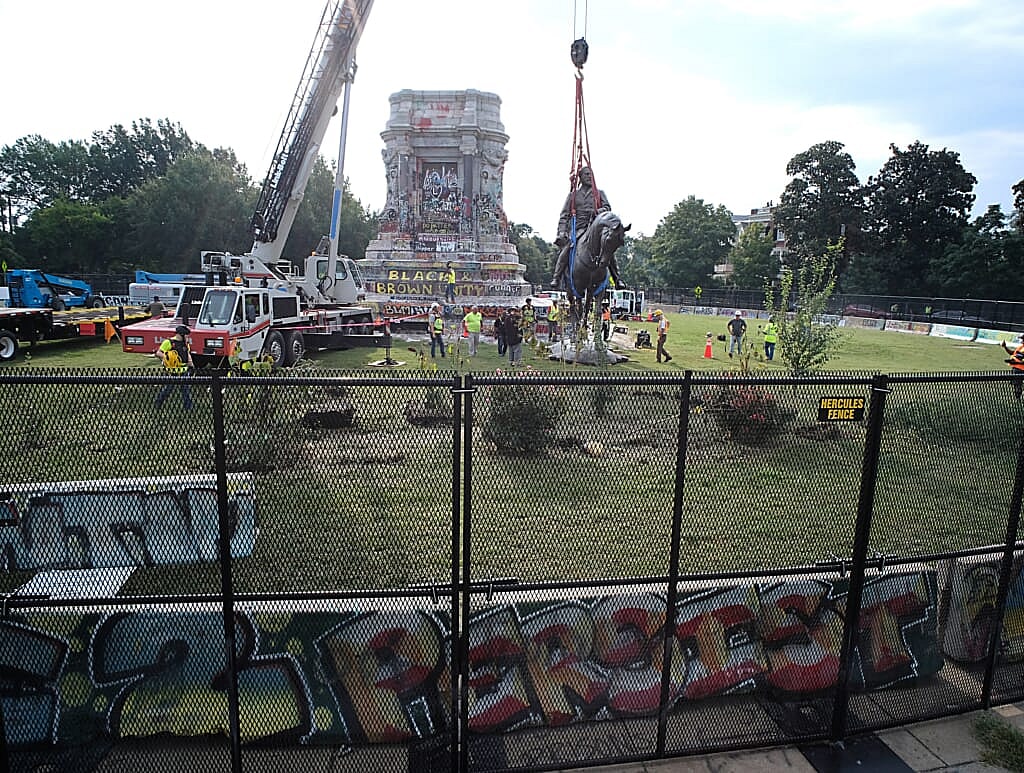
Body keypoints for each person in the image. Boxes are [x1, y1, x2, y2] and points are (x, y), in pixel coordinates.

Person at [551, 166, 621, 289]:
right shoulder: (573, 195)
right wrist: (561, 231)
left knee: (608, 248)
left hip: (595, 228)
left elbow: (608, 208)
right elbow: (564, 215)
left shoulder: (599, 193)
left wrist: (598, 211)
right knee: (567, 249)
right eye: (586, 174)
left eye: (591, 175)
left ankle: (617, 278)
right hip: (579, 228)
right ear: (580, 177)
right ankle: (557, 277)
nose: (589, 177)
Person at [155, 325, 193, 411]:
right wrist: (168, 357)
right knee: (167, 390)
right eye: (187, 335)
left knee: (186, 391)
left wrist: (191, 365)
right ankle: (158, 403)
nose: (188, 337)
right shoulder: (169, 342)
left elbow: (188, 354)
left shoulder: (185, 344)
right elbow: (158, 353)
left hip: (183, 371)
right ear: (181, 335)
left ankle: (188, 408)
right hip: (171, 372)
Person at [1002, 334, 1024, 399]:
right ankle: (1018, 397)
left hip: (1020, 369)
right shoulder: (1021, 347)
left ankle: (1018, 397)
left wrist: (1015, 362)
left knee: (1018, 385)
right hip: (1016, 368)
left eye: (1023, 339)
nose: (1022, 340)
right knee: (1017, 385)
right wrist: (1005, 347)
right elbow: (1012, 353)